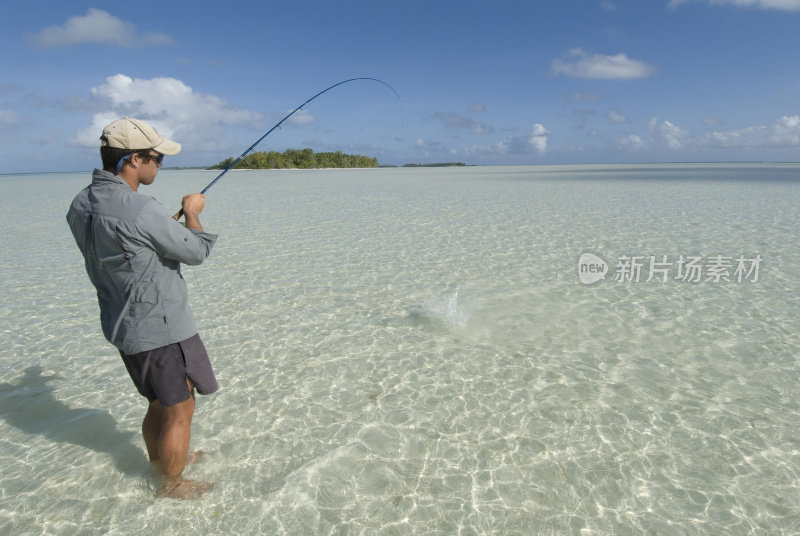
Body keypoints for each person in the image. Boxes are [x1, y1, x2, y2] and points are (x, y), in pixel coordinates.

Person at [66, 117, 219, 500]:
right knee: (180, 407)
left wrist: (151, 232)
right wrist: (193, 213)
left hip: (123, 325)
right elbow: (196, 251)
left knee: (159, 401)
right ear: (134, 159)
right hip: (161, 327)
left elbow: (118, 250)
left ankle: (162, 462)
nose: (160, 165)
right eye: (155, 158)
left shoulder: (81, 203)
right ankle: (171, 483)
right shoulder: (139, 209)